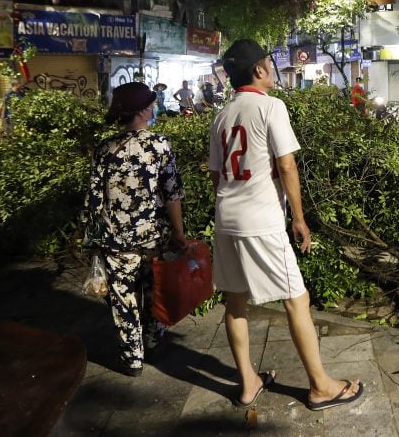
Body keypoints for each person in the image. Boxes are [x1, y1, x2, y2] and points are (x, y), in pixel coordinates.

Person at [208, 39, 363, 410]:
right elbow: (287, 165)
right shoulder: (270, 107)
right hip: (261, 220)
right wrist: (299, 217)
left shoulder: (222, 115)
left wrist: (232, 202)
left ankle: (248, 383)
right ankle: (322, 386)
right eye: (269, 64)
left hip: (226, 218)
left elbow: (216, 175)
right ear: (259, 70)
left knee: (235, 301)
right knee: (297, 298)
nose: (272, 70)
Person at [83, 82, 187, 377]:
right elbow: (172, 194)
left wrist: (92, 238)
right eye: (151, 105)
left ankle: (132, 358)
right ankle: (154, 341)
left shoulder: (105, 150)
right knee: (156, 290)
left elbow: (94, 199)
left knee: (123, 299)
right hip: (154, 238)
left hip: (117, 242)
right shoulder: (159, 145)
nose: (154, 108)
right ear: (142, 111)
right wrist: (178, 233)